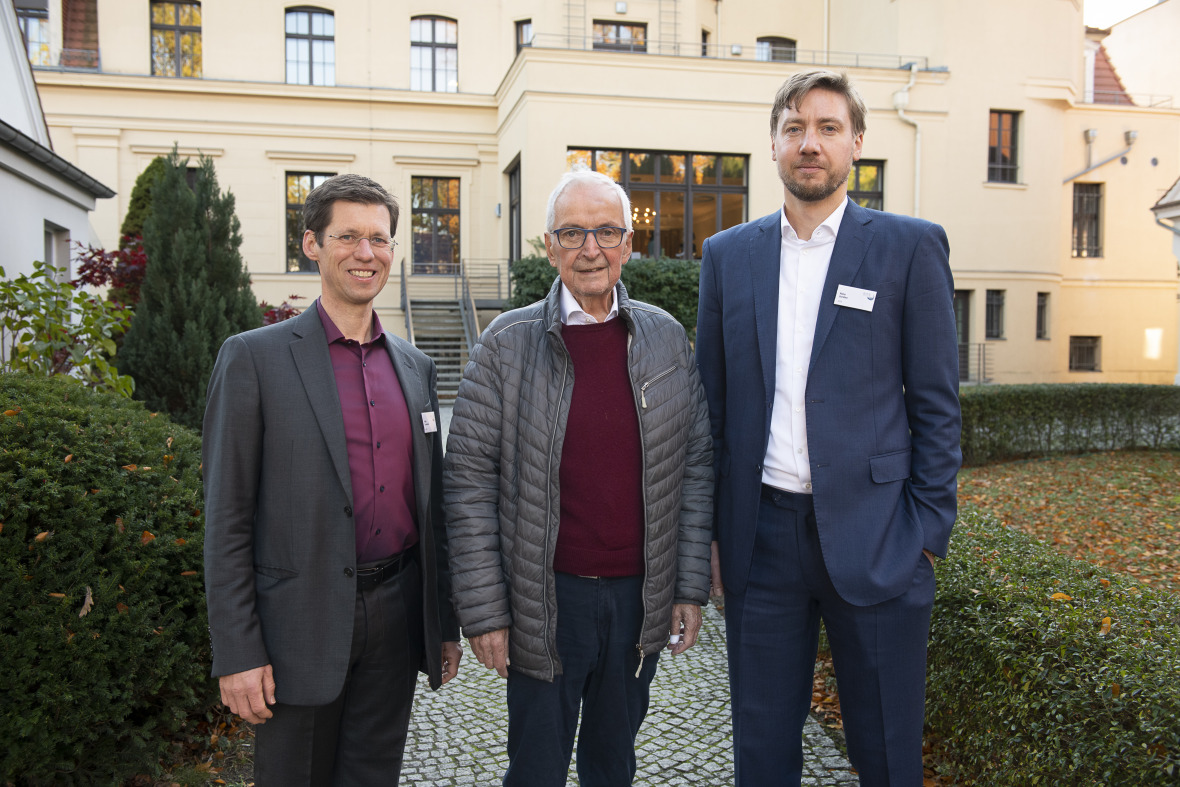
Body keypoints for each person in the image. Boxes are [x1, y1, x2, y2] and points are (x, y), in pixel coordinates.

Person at [696, 70, 961, 786]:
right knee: (763, 748)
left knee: (885, 749)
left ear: (857, 144)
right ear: (774, 145)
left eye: (827, 127)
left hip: (879, 538)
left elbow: (937, 402)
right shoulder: (728, 256)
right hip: (762, 541)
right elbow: (710, 410)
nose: (809, 143)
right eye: (794, 128)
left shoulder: (909, 248)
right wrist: (716, 535)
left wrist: (927, 532)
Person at [443, 169, 713, 787]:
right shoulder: (506, 345)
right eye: (572, 233)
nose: (590, 248)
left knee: (612, 764)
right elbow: (467, 485)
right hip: (545, 599)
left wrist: (689, 588)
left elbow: (696, 467)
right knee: (536, 767)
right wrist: (485, 612)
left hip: (638, 598)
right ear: (549, 245)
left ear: (626, 243)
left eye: (605, 232)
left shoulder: (666, 339)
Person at [202, 174, 461, 785]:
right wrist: (238, 652)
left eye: (379, 239)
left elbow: (433, 511)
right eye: (348, 236)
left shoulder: (415, 367)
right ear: (312, 245)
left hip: (397, 618)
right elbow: (227, 518)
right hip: (298, 624)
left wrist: (441, 623)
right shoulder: (254, 359)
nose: (365, 254)